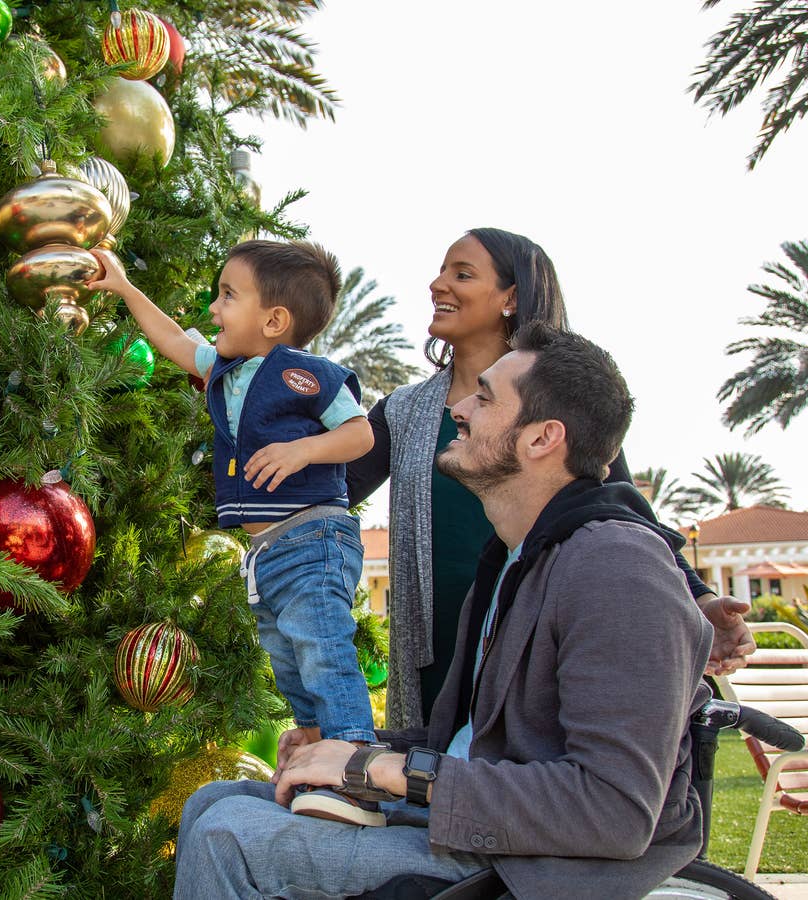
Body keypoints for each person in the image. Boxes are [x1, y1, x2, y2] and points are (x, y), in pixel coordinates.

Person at [173, 324, 714, 900]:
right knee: (213, 800)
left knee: (226, 835)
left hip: (530, 861)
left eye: (484, 399)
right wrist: (355, 747)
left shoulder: (617, 568)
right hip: (470, 825)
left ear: (541, 439)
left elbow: (614, 811)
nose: (457, 408)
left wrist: (380, 772)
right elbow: (478, 742)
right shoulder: (517, 558)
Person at [345, 227, 753, 729]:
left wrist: (701, 599)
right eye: (441, 270)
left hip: (540, 636)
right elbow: (326, 489)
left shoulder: (564, 405)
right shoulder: (403, 413)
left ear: (511, 297)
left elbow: (622, 511)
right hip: (441, 647)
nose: (437, 284)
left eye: (462, 273)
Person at [89, 241, 383, 826]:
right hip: (268, 551)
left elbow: (359, 436)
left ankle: (357, 776)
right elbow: (174, 340)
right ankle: (316, 756)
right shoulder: (225, 372)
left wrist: (305, 450)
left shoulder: (309, 376)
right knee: (290, 660)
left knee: (322, 648)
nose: (215, 308)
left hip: (313, 537)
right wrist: (123, 287)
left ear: (274, 320)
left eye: (228, 296)